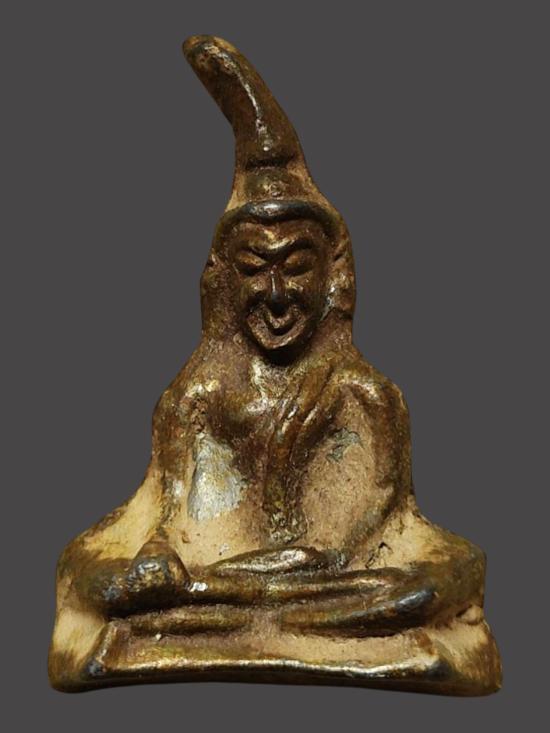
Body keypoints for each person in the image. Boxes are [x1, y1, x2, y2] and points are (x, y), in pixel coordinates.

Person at [49, 36, 500, 694]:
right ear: (224, 281)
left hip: (319, 587)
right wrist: (157, 561)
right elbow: (166, 521)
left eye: (297, 267)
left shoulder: (365, 396)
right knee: (89, 574)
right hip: (223, 584)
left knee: (430, 586)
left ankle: (219, 625)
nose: (277, 294)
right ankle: (246, 623)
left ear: (333, 277)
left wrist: (242, 577)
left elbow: (357, 543)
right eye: (254, 269)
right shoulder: (198, 395)